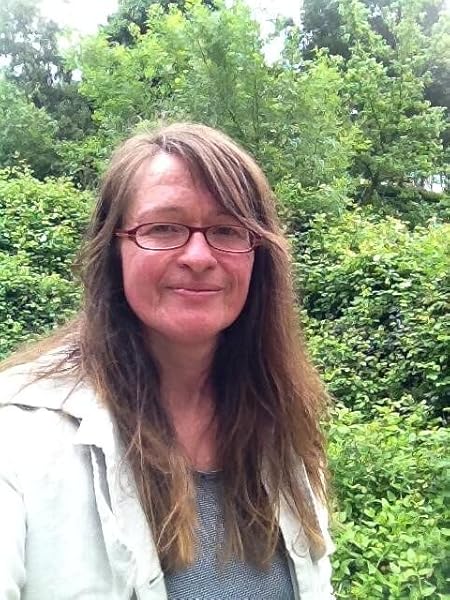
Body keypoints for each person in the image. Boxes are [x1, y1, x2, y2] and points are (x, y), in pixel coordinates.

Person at [0, 123, 335, 599]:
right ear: (113, 250)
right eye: (163, 228)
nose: (199, 256)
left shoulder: (279, 419)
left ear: (257, 257)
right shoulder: (18, 434)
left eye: (227, 230)